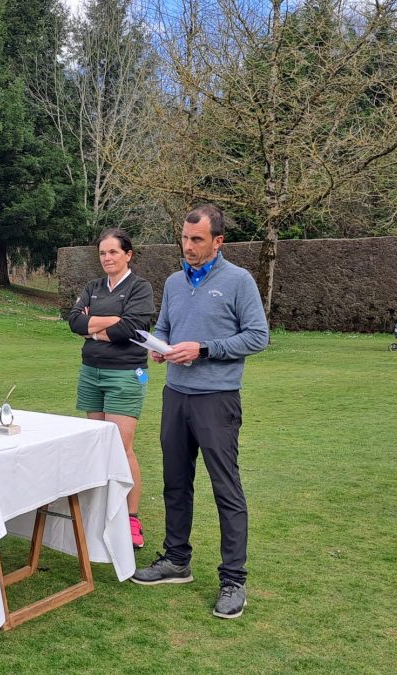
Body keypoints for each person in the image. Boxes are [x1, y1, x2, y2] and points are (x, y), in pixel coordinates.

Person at [131, 204, 269, 621]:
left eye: (197, 240)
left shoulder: (239, 281)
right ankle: (176, 560)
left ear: (218, 241)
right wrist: (158, 346)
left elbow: (258, 336)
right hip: (176, 395)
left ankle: (233, 580)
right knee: (175, 482)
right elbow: (165, 328)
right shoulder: (174, 282)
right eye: (185, 239)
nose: (188, 247)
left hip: (217, 399)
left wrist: (205, 348)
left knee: (226, 488)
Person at [67, 228, 156, 549]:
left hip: (125, 375)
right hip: (91, 372)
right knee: (98, 445)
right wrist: (111, 321)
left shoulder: (140, 287)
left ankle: (131, 519)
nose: (107, 258)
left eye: (113, 252)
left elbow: (132, 327)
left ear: (128, 254)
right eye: (102, 253)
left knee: (120, 447)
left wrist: (96, 325)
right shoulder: (92, 286)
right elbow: (74, 321)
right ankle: (103, 512)